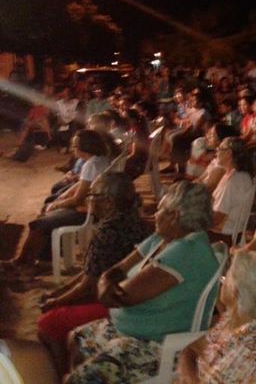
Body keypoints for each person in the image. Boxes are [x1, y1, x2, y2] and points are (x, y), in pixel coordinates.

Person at [65, 181, 220, 383]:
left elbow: (123, 297)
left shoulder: (186, 252)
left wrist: (106, 286)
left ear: (174, 217)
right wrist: (107, 283)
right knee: (75, 338)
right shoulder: (162, 238)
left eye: (160, 210)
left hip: (154, 344)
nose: (154, 215)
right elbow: (118, 269)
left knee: (78, 379)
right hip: (129, 330)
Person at [37, 173, 149, 374]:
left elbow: (87, 285)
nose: (89, 199)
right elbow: (90, 272)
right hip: (128, 293)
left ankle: (62, 375)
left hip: (113, 302)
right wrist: (60, 292)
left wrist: (56, 301)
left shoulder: (108, 232)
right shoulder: (136, 221)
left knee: (47, 323)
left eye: (92, 194)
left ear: (107, 201)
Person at [4, 130, 109, 276]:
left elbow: (78, 199)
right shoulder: (100, 159)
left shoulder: (91, 165)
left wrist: (57, 204)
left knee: (37, 224)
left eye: (75, 146)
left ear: (84, 147)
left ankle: (24, 262)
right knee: (46, 216)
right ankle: (41, 261)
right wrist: (62, 197)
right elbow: (82, 185)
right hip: (92, 207)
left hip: (88, 212)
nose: (73, 149)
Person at [176, 251, 256, 383]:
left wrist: (188, 372)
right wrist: (189, 373)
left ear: (235, 291)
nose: (222, 283)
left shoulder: (251, 345)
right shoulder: (236, 318)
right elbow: (193, 347)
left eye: (224, 279)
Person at [209, 137, 255, 243]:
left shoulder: (232, 182)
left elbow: (217, 218)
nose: (216, 151)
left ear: (229, 153)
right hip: (233, 231)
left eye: (219, 148)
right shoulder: (242, 175)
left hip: (223, 236)